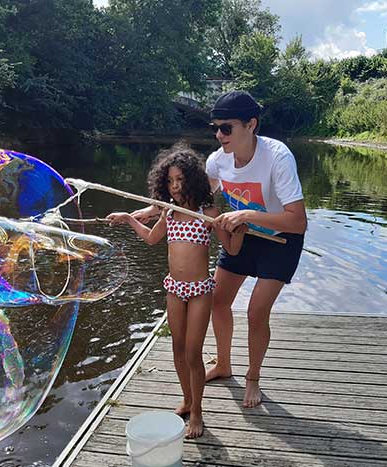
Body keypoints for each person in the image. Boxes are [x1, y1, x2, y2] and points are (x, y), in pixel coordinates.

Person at [134, 91, 307, 408]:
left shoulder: (277, 157)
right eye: (216, 127)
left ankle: (252, 377)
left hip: (280, 239)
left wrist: (248, 214)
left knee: (256, 311)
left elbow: (299, 222)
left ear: (250, 124)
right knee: (217, 300)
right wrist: (153, 210)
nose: (218, 135)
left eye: (226, 128)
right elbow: (191, 200)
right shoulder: (218, 160)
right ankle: (224, 363)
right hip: (240, 234)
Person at [107, 144, 246, 439]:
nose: (175, 186)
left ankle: (197, 412)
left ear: (193, 179)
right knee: (177, 348)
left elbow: (232, 249)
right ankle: (187, 399)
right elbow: (150, 239)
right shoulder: (169, 213)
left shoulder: (207, 213)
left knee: (194, 353)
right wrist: (129, 219)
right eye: (169, 181)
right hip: (174, 288)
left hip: (199, 291)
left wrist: (239, 230)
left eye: (180, 180)